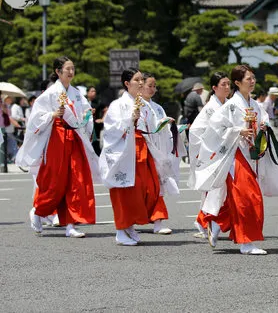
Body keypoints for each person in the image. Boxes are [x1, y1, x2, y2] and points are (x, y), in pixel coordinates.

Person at [191, 65, 278, 255]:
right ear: (237, 82)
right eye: (248, 79)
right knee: (248, 197)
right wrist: (237, 131)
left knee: (240, 198)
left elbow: (264, 118)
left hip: (251, 154)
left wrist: (263, 125)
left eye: (253, 78)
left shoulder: (255, 104)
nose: (252, 81)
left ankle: (217, 223)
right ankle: (246, 242)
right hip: (236, 155)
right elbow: (214, 130)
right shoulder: (230, 106)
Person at [16, 56, 101, 238]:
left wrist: (87, 114)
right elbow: (35, 119)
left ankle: (71, 224)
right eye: (67, 69)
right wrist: (53, 114)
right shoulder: (50, 93)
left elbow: (83, 113)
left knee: (77, 180)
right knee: (55, 181)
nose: (71, 72)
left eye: (73, 68)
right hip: (57, 138)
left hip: (74, 138)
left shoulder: (77, 93)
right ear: (58, 71)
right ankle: (39, 211)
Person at [99, 68, 174, 246]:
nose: (141, 83)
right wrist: (129, 120)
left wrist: (162, 124)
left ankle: (130, 224)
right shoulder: (118, 105)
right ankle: (121, 229)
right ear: (127, 84)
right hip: (125, 150)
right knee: (124, 190)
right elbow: (111, 128)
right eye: (137, 80)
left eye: (142, 80)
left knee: (146, 188)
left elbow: (151, 127)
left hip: (143, 148)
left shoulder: (144, 104)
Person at [140, 72, 187, 235]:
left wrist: (172, 127)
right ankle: (139, 218)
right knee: (144, 188)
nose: (153, 89)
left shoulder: (158, 107)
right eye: (149, 85)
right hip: (144, 151)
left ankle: (158, 221)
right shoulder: (136, 105)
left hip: (158, 151)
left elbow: (164, 130)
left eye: (154, 86)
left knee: (157, 187)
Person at [187, 72, 231, 238]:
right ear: (214, 88)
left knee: (222, 190)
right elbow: (196, 130)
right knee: (213, 189)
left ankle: (205, 221)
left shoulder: (229, 105)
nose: (227, 87)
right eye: (223, 84)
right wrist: (205, 151)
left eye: (228, 84)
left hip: (226, 152)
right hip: (213, 154)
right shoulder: (210, 108)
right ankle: (204, 221)